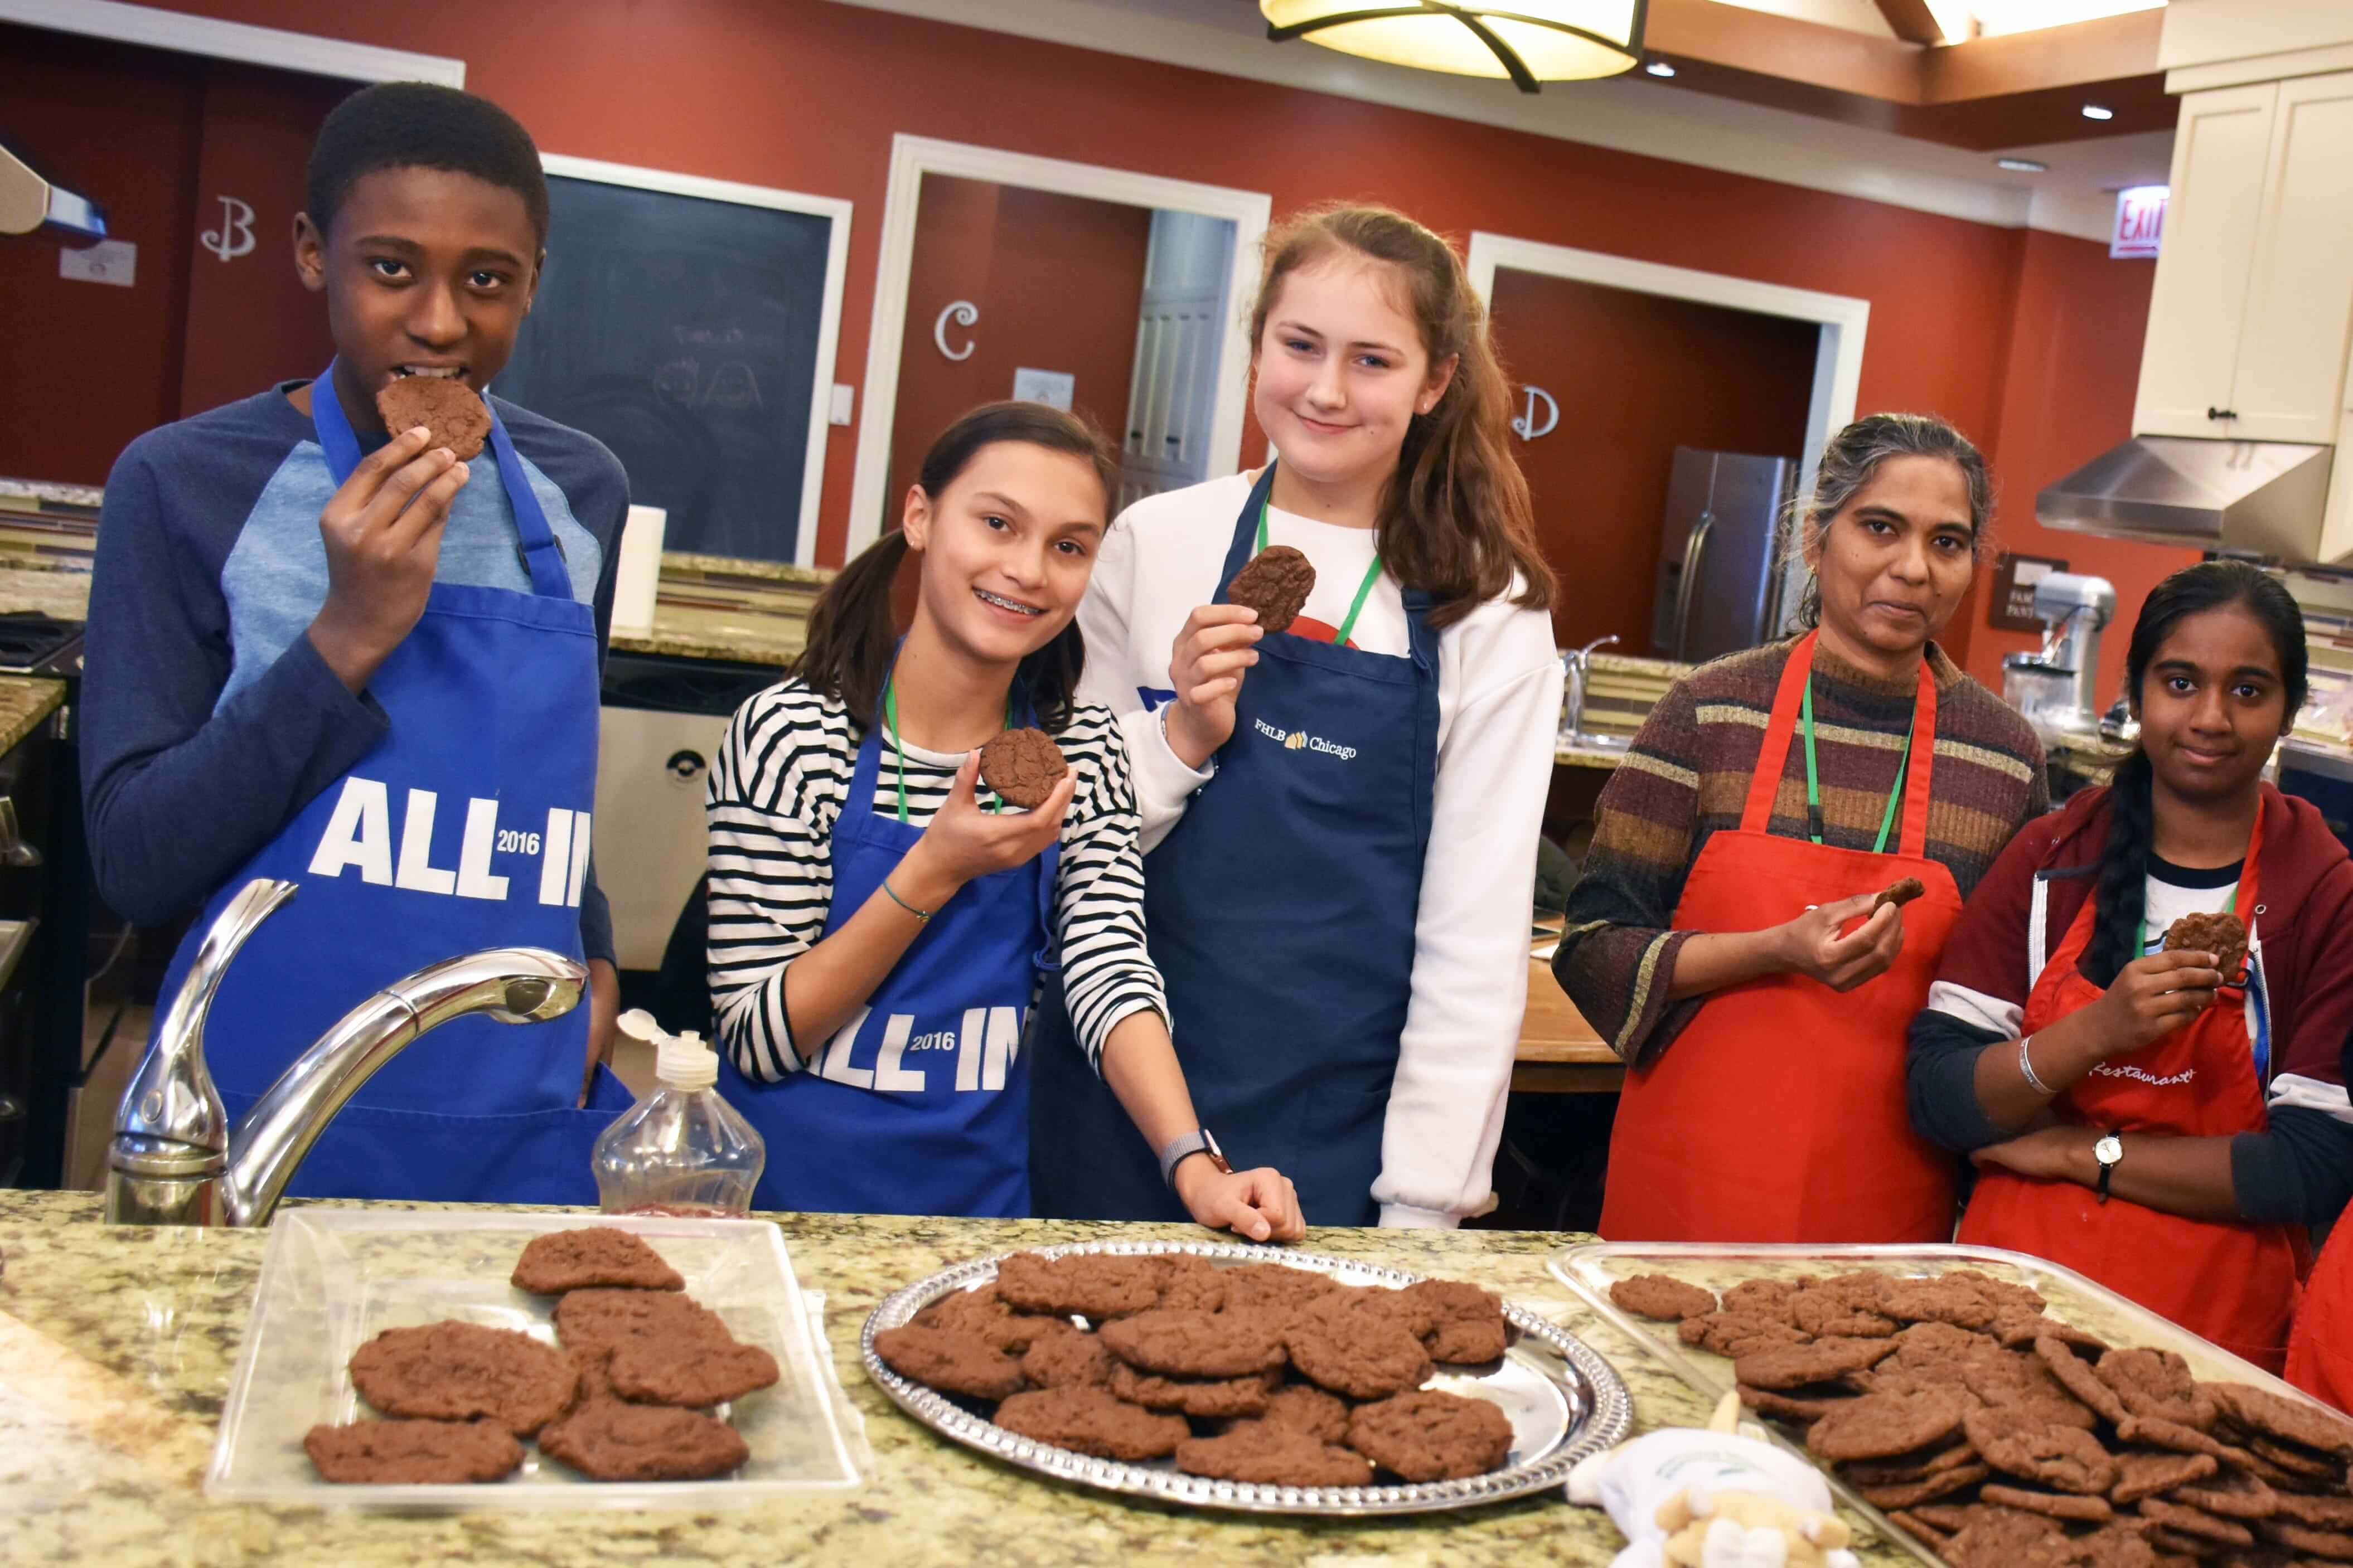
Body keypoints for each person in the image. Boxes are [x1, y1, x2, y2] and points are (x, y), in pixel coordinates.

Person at [82, 83, 634, 1203]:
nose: (439, 322)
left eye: (488, 279)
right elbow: (137, 863)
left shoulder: (582, 493)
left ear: (535, 281)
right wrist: (347, 633)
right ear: (310, 254)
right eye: (391, 268)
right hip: (258, 1096)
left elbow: (545, 773)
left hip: (503, 1082)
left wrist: (596, 944)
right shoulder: (185, 483)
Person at [1030, 204, 1561, 1229]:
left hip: (1337, 1139)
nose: (1324, 389)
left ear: (1435, 382)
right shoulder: (1154, 543)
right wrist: (1177, 731)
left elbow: (1473, 939)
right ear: (1258, 344)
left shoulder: (1488, 611)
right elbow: (1069, 845)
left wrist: (1423, 1207)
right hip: (1119, 1098)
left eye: (1372, 360)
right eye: (1300, 345)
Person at [704, 401, 1301, 1238]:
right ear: (920, 517)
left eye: (1068, 546)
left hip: (972, 1216)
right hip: (781, 1213)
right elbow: (757, 1035)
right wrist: (933, 869)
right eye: (996, 523)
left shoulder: (1079, 752)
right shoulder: (794, 736)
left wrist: (1196, 1166)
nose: (1029, 569)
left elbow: (1107, 969)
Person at [1557, 414, 2046, 1244]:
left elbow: (2013, 1007)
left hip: (1889, 1215)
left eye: (1948, 541)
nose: (1912, 567)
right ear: (1818, 539)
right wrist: (1772, 950)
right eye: (1880, 527)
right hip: (1687, 1197)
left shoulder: (2003, 759)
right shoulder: (1708, 713)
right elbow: (1594, 947)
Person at [1910, 561, 2353, 1372]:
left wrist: (2082, 1153)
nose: (2211, 717)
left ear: (2289, 709)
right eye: (2181, 681)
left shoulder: (2320, 892)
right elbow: (1939, 1094)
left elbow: (2311, 1165)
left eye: (2249, 690)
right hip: (2009, 1317)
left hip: (2209, 1345)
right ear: (2136, 689)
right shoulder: (2052, 858)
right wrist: (2097, 1030)